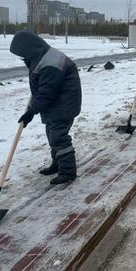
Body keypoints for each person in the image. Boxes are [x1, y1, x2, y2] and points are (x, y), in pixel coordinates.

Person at [11, 30, 82, 185]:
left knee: (58, 137)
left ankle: (68, 172)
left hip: (63, 105)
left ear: (28, 48)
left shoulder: (50, 63)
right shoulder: (42, 57)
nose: (23, 58)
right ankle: (58, 164)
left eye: (23, 54)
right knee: (52, 134)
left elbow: (46, 93)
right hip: (57, 105)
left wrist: (31, 111)